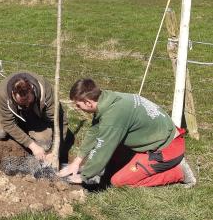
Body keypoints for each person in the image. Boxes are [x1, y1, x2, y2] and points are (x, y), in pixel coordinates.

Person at [58, 78, 196, 187]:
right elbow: (95, 132)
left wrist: (84, 176)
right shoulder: (108, 99)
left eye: (78, 105)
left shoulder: (113, 117)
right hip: (157, 135)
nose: (77, 108)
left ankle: (179, 172)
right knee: (109, 161)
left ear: (88, 102)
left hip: (166, 149)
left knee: (118, 181)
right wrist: (77, 162)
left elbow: (103, 146)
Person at [0, 71, 64, 163]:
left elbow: (60, 121)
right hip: (9, 114)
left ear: (32, 89)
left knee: (45, 144)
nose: (26, 105)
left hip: (33, 116)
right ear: (12, 95)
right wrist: (33, 146)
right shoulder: (3, 91)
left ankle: (25, 130)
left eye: (28, 100)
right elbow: (8, 123)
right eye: (22, 102)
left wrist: (56, 151)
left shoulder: (45, 90)